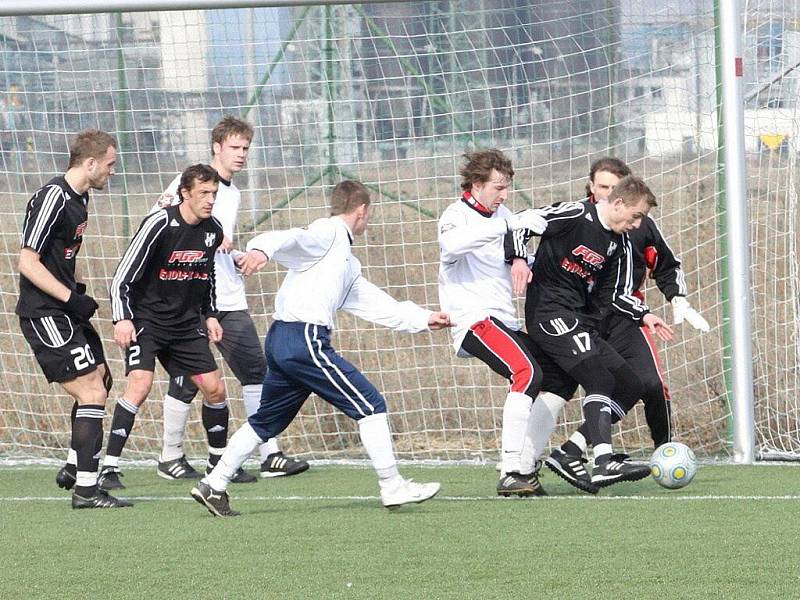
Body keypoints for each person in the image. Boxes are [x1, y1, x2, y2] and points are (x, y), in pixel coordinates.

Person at [190, 180, 453, 517]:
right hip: (304, 341)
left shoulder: (345, 261)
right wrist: (260, 249)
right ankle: (392, 484)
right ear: (361, 211)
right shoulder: (328, 232)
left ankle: (214, 483)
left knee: (265, 420)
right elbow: (292, 237)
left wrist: (424, 318)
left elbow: (376, 304)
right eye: (367, 215)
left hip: (282, 340)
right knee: (371, 405)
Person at [510, 158, 709, 467]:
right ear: (609, 196)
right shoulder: (574, 214)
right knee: (598, 379)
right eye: (635, 216)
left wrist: (652, 311)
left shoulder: (621, 241)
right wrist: (519, 259)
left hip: (598, 320)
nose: (637, 224)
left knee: (633, 384)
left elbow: (618, 292)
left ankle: (571, 451)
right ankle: (601, 459)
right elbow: (521, 221)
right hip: (553, 314)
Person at [153, 117, 308, 482]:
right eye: (235, 148)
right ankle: (169, 456)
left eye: (245, 149)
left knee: (256, 370)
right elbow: (158, 222)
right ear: (216, 147)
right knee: (188, 379)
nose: (241, 155)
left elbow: (218, 243)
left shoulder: (233, 193)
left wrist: (232, 253)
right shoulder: (187, 184)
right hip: (192, 299)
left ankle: (269, 453)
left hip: (229, 297)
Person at [98, 164, 241, 490]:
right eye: (203, 193)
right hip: (147, 320)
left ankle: (216, 466)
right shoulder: (160, 223)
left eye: (214, 194)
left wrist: (211, 314)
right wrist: (122, 317)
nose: (210, 200)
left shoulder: (212, 229)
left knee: (215, 388)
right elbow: (122, 275)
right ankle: (109, 467)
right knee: (140, 385)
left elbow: (208, 277)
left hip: (186, 326)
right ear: (185, 193)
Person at [16, 129, 130, 509]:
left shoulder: (81, 199)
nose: (113, 172)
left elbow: (59, 258)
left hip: (64, 308)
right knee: (91, 392)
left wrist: (75, 292)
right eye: (110, 165)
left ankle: (72, 466)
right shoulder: (54, 197)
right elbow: (27, 262)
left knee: (102, 377)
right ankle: (85, 490)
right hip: (44, 313)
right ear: (91, 163)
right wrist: (69, 298)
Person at [438, 149, 555, 497]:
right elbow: (453, 245)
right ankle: (510, 470)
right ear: (476, 185)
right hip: (473, 320)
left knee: (557, 375)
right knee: (527, 373)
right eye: (498, 187)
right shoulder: (456, 216)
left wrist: (525, 258)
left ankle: (527, 461)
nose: (504, 196)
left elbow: (511, 249)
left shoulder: (502, 213)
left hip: (503, 320)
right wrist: (509, 224)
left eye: (507, 188)